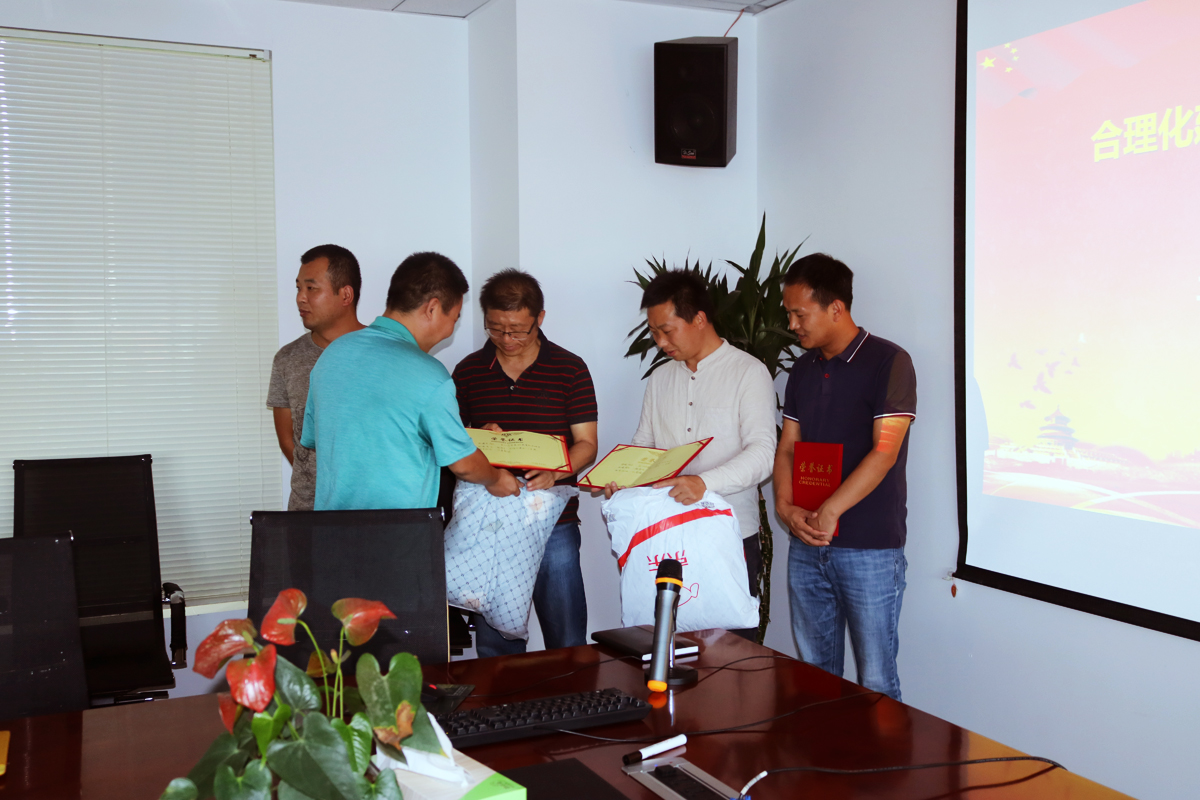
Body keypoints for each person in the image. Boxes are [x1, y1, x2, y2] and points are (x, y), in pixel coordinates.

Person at [772, 253, 916, 702]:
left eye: (800, 314)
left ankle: (882, 754)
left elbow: (884, 451)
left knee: (876, 680)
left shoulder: (890, 362)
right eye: (789, 314)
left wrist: (831, 510)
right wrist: (785, 507)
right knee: (815, 679)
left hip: (870, 550)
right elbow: (788, 447)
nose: (793, 325)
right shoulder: (802, 369)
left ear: (836, 308)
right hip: (807, 545)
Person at [611, 269, 776, 639]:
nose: (660, 342)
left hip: (730, 535)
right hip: (666, 537)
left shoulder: (748, 373)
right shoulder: (660, 378)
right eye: (654, 332)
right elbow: (645, 445)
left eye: (667, 331)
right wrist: (623, 481)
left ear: (699, 319)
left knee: (730, 652)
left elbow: (763, 453)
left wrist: (704, 483)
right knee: (664, 644)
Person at [300, 251, 520, 510]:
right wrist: (496, 479)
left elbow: (329, 435)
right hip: (397, 529)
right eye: (455, 317)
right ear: (432, 309)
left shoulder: (332, 354)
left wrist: (466, 437)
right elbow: (463, 465)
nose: (452, 328)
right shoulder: (430, 375)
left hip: (331, 527)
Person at [452, 270, 599, 657]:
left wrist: (556, 472)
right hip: (492, 522)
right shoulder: (468, 371)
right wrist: (479, 435)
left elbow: (587, 445)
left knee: (566, 637)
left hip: (554, 522)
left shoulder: (569, 368)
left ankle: (570, 696)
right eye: (495, 329)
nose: (506, 339)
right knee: (495, 644)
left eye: (517, 330)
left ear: (540, 318)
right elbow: (453, 444)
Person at [267, 244, 365, 510]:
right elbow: (288, 439)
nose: (301, 298)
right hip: (307, 512)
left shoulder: (385, 353)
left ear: (345, 294)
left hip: (371, 510)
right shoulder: (287, 359)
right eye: (298, 288)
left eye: (311, 288)